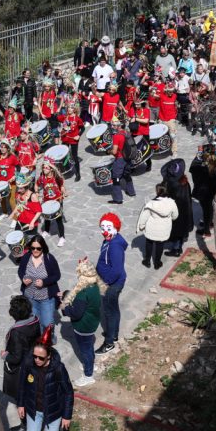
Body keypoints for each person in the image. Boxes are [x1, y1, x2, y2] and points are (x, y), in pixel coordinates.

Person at [17, 330, 73, 431]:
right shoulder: (29, 363)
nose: (36, 359)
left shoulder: (58, 368)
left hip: (52, 413)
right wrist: (21, 404)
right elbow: (22, 385)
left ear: (49, 355)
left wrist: (67, 415)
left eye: (40, 357)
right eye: (34, 356)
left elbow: (68, 392)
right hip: (34, 409)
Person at [59, 258, 104, 387]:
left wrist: (64, 307)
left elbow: (76, 313)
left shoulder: (83, 293)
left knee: (85, 350)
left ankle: (88, 375)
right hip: (92, 322)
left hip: (83, 326)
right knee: (89, 347)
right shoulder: (94, 285)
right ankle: (91, 365)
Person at [1, 295, 40, 431]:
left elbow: (16, 357)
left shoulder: (16, 332)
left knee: (21, 399)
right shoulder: (35, 320)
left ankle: (26, 425)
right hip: (34, 363)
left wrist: (5, 355)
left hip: (22, 370)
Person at [17, 234, 61, 341]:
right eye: (33, 248)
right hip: (30, 296)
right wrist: (23, 278)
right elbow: (20, 271)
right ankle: (42, 337)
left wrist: (44, 282)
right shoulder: (26, 257)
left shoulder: (49, 258)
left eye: (38, 248)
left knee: (47, 321)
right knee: (36, 321)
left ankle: (50, 335)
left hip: (46, 297)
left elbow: (57, 275)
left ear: (43, 247)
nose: (35, 250)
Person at [95, 213, 127, 355]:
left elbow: (117, 270)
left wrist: (105, 283)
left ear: (115, 227)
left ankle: (109, 343)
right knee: (113, 310)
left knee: (109, 312)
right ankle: (113, 333)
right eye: (102, 227)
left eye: (108, 227)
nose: (105, 230)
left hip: (111, 284)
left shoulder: (114, 246)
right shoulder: (110, 239)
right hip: (110, 282)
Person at [135, 184, 179, 269]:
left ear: (157, 191)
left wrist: (141, 226)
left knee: (149, 243)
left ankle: (147, 261)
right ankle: (157, 263)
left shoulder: (151, 203)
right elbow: (175, 215)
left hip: (151, 228)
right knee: (160, 246)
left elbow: (144, 216)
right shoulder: (172, 203)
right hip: (164, 229)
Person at [36, 159, 67, 247]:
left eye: (46, 168)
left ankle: (62, 237)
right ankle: (46, 231)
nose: (44, 169)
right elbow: (36, 185)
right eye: (43, 168)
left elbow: (62, 187)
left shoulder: (57, 177)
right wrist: (37, 193)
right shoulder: (42, 178)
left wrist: (64, 192)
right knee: (46, 218)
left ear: (51, 169)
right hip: (47, 201)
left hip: (57, 201)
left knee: (58, 219)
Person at [107, 116, 136, 205]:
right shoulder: (127, 133)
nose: (112, 127)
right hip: (128, 158)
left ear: (117, 126)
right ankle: (131, 192)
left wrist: (109, 151)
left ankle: (118, 199)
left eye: (113, 126)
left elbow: (115, 151)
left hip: (120, 159)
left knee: (116, 178)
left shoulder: (116, 136)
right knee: (127, 174)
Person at [56, 102, 84, 182]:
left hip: (73, 140)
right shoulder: (64, 117)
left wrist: (79, 135)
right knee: (63, 155)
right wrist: (54, 111)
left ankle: (78, 174)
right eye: (68, 107)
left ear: (74, 109)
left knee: (74, 157)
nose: (69, 109)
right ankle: (65, 169)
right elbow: (55, 118)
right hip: (65, 139)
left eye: (71, 108)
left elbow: (83, 128)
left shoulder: (78, 119)